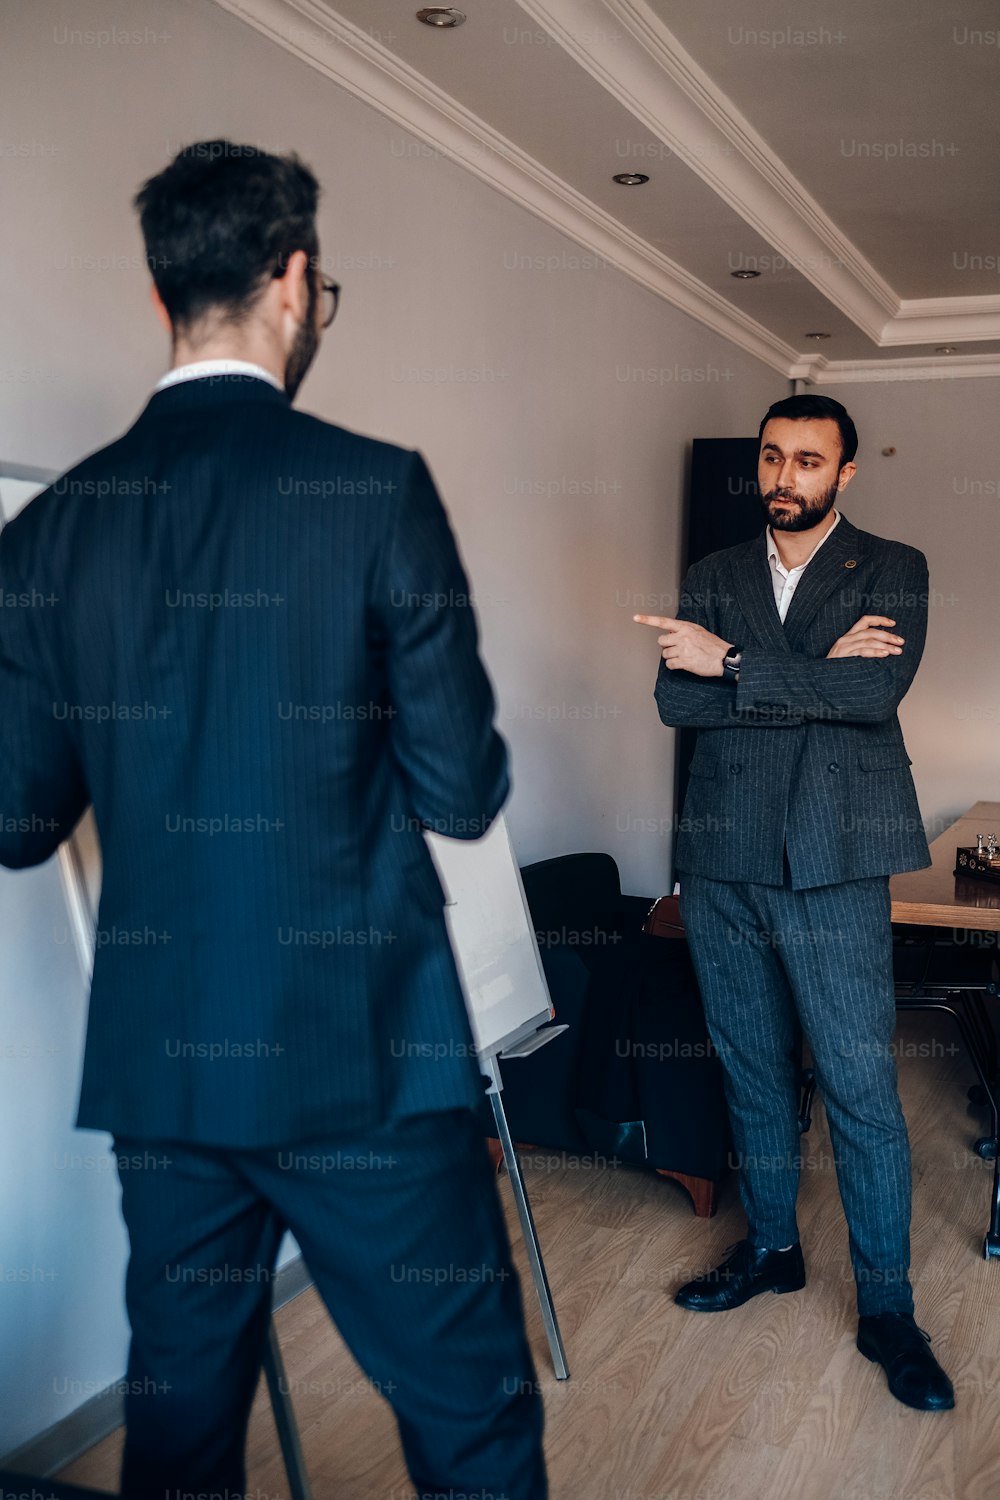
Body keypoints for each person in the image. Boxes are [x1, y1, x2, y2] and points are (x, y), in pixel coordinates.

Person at [0, 140, 547, 1497]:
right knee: (469, 1415)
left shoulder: (50, 536)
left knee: (181, 1435)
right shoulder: (374, 491)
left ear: (159, 297)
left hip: (167, 1070)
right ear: (296, 281)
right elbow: (461, 792)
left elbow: (17, 821)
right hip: (358, 1056)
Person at [635, 393, 954, 1412]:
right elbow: (672, 703)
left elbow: (871, 697)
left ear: (843, 473)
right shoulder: (713, 574)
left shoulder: (892, 568)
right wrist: (803, 676)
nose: (785, 476)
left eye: (808, 461)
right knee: (749, 1068)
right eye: (774, 458)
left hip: (833, 859)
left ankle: (888, 1310)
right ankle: (772, 1247)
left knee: (860, 1086)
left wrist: (731, 665)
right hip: (722, 859)